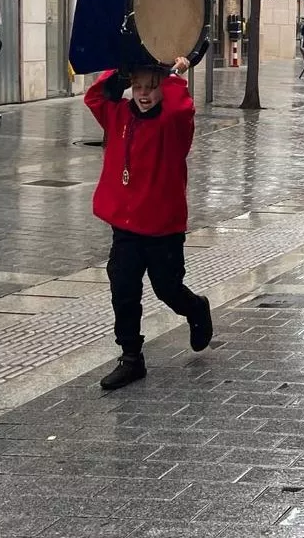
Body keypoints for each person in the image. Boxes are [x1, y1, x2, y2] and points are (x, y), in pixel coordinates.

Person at [83, 58, 213, 391]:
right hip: (125, 226)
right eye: (138, 86)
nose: (143, 94)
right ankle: (131, 357)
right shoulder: (118, 115)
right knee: (123, 289)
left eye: (152, 88)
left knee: (167, 288)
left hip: (162, 228)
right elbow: (95, 97)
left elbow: (181, 109)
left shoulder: (172, 124)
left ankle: (195, 308)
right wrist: (118, 69)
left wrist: (173, 75)